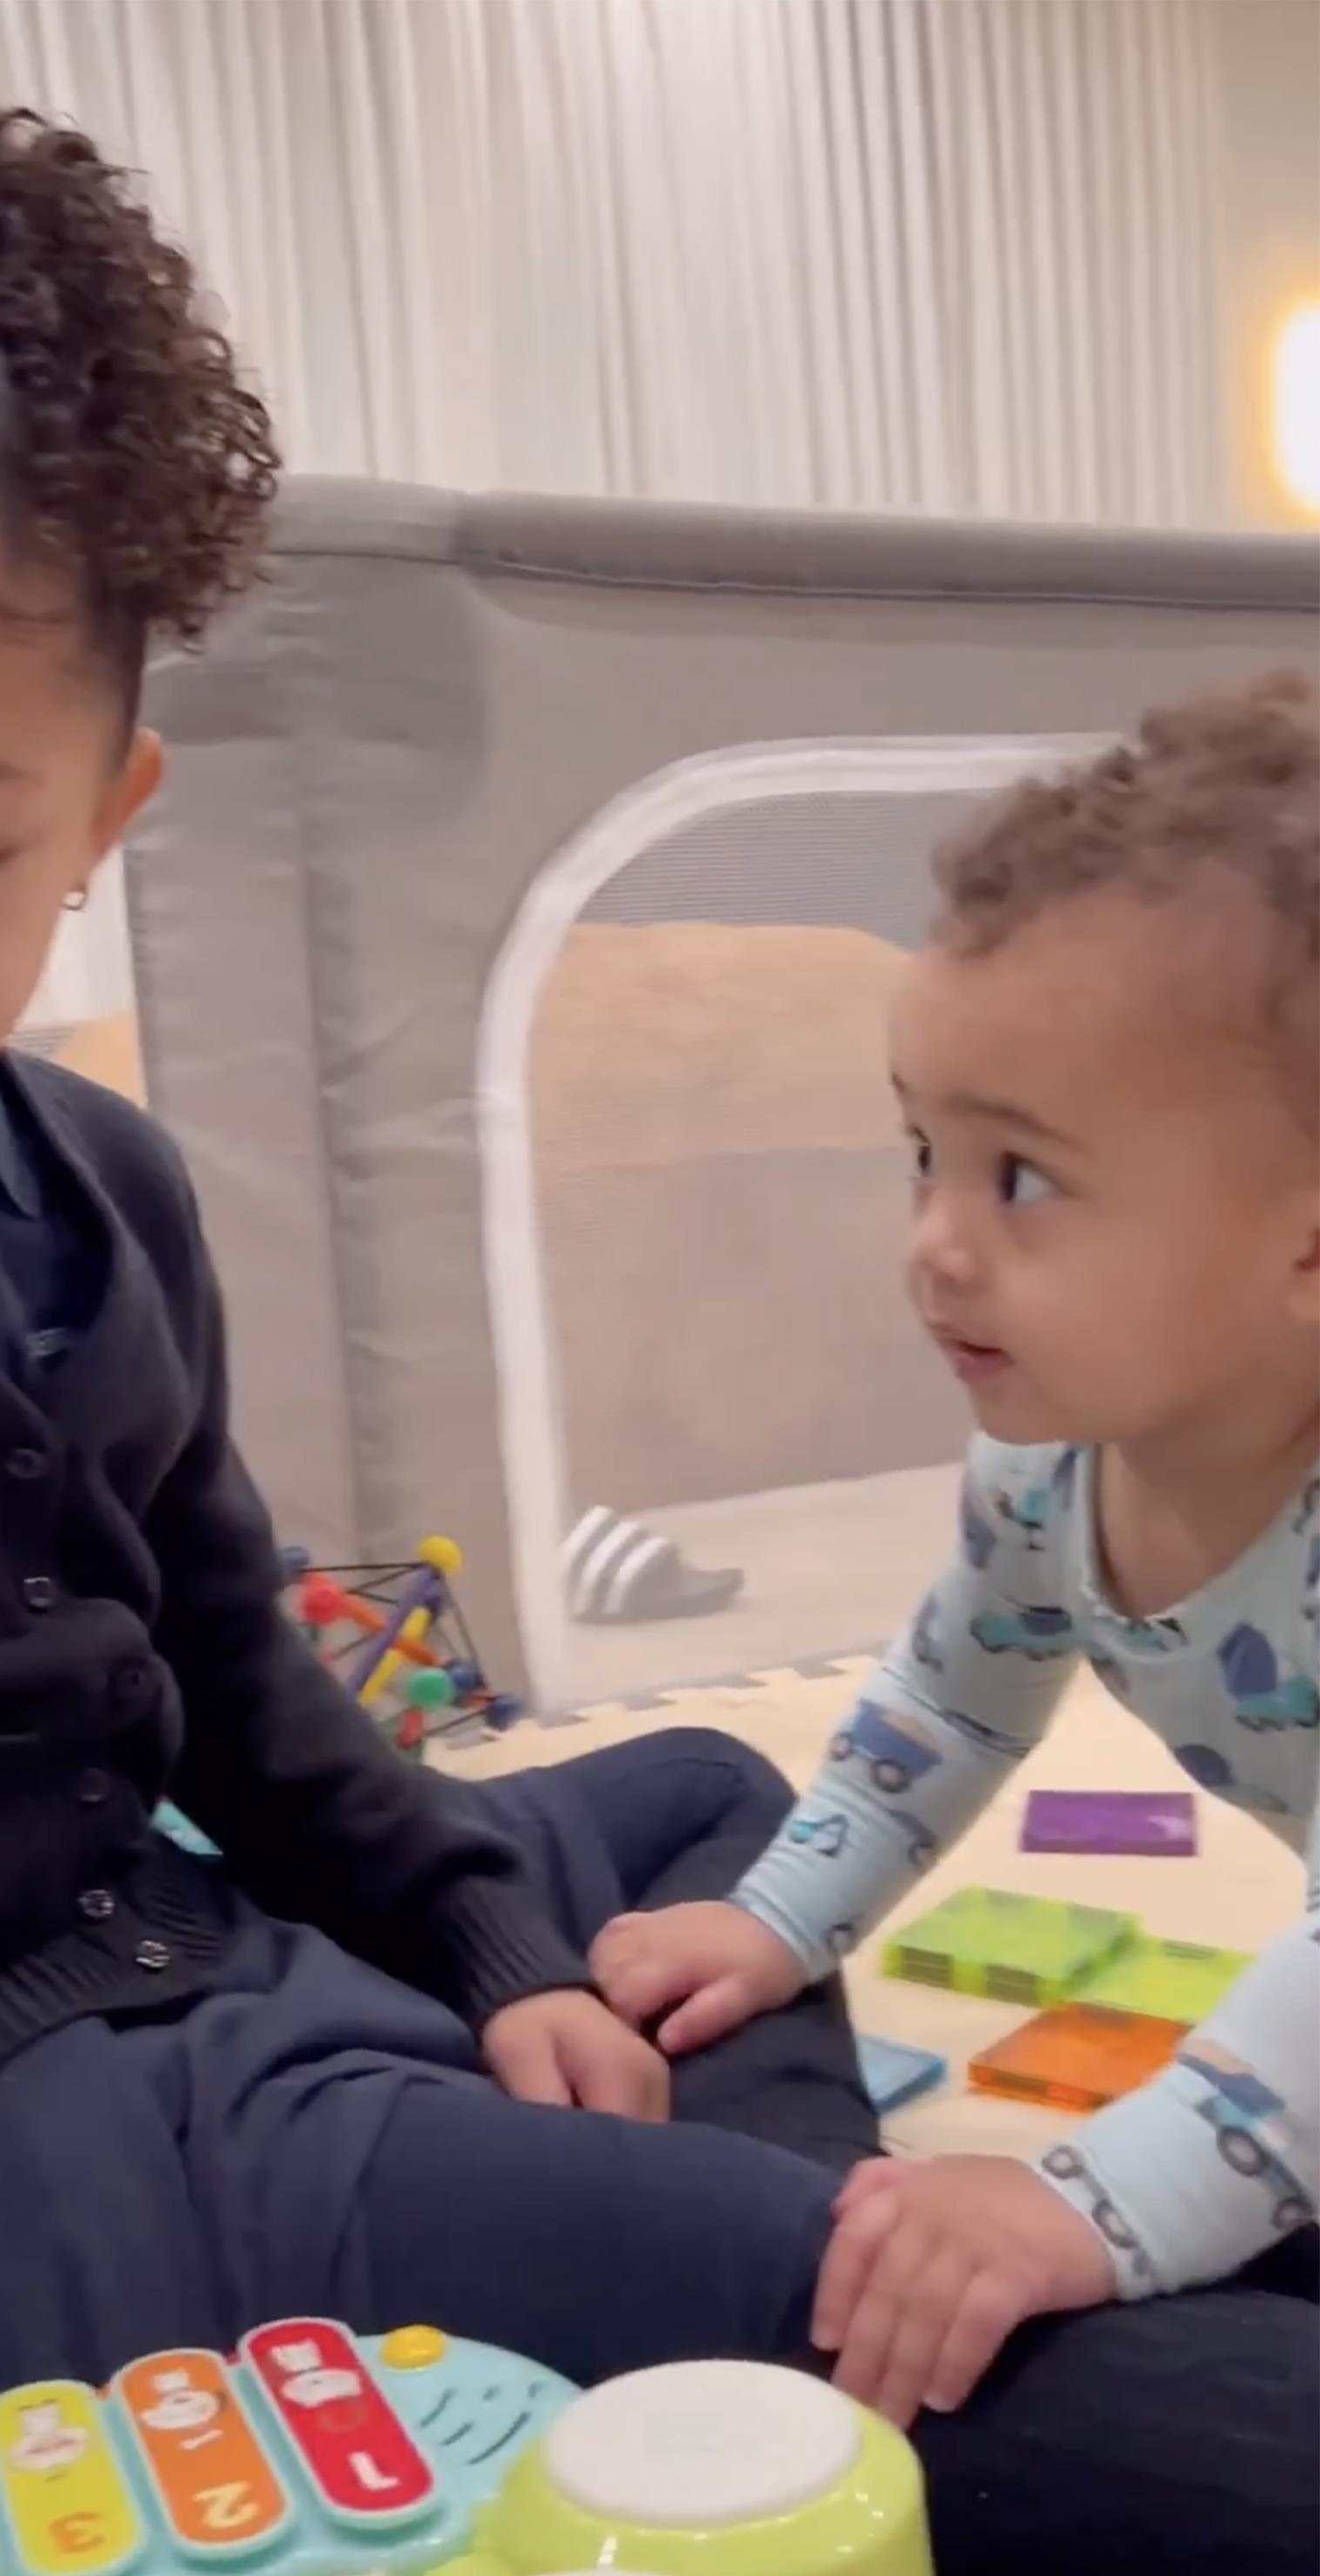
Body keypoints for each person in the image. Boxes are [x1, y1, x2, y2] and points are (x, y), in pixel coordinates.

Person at [0, 90, 1310, 2576]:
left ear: (110, 809)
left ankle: (688, 2227)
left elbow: (228, 1668)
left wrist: (496, 1953)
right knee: (845, 2272)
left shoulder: (102, 1182)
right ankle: (778, 2282)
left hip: (187, 1957)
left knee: (709, 1828)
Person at [596, 674, 1320, 2421]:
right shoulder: (1043, 1473)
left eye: (1026, 1180)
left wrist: (1092, 2200)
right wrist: (778, 1920)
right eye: (930, 1149)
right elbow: (945, 1709)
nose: (932, 1244)